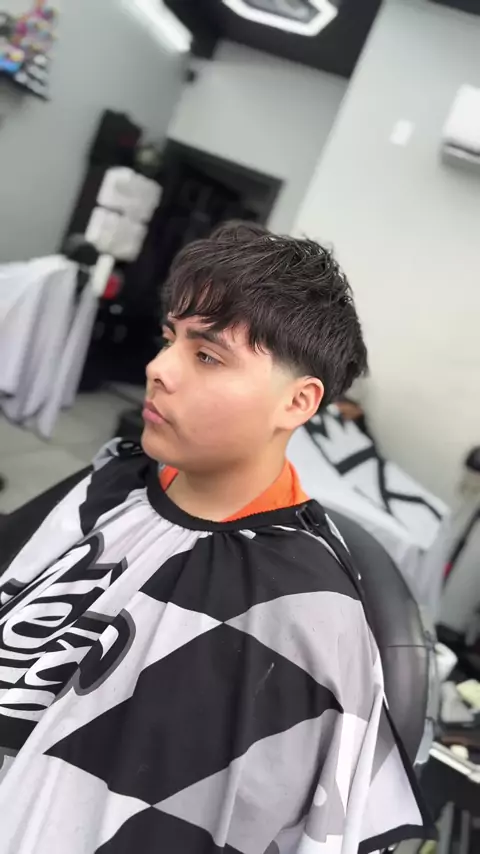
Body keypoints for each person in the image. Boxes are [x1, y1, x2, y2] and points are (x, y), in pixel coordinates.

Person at [0, 223, 431, 853]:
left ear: (297, 403)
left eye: (207, 356)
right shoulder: (113, 483)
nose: (158, 369)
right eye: (169, 338)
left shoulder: (301, 613)